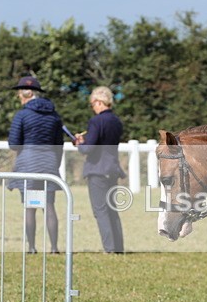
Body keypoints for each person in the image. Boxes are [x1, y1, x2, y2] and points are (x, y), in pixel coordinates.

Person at [7, 76, 64, 254]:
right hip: (49, 163)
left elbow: (14, 144)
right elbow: (59, 144)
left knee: (31, 207)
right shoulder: (54, 115)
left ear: (26, 94)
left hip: (29, 164)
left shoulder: (22, 115)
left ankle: (32, 247)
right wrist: (55, 165)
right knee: (49, 205)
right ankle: (54, 248)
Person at [75, 86, 126, 253]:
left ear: (98, 102)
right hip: (112, 168)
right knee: (112, 210)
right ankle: (118, 248)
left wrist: (80, 144)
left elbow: (89, 148)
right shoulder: (116, 121)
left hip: (98, 170)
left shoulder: (96, 121)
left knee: (100, 211)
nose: (93, 108)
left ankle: (109, 248)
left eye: (92, 104)